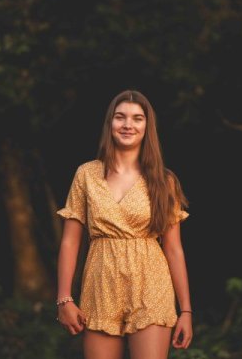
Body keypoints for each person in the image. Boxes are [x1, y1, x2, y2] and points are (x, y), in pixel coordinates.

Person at [55, 89, 193, 358]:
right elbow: (70, 240)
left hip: (151, 284)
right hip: (100, 285)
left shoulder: (165, 181)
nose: (128, 124)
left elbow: (174, 249)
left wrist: (186, 310)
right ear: (110, 124)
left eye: (137, 118)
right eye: (120, 117)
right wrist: (64, 298)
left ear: (147, 127)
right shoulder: (86, 174)